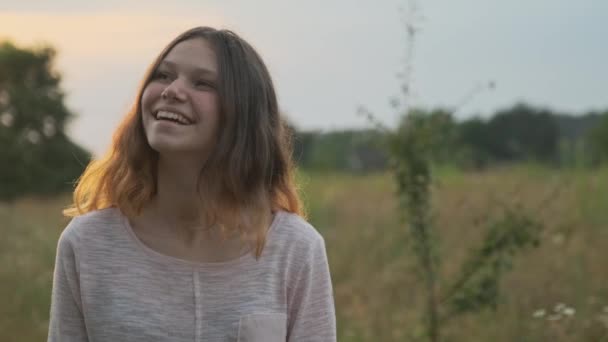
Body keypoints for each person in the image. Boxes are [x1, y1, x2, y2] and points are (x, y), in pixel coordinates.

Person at [47, 26, 336, 341]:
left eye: (203, 83)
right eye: (163, 76)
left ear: (243, 115)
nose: (172, 90)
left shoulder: (296, 250)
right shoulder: (87, 244)